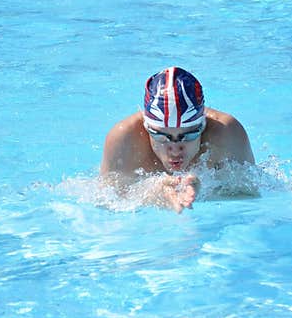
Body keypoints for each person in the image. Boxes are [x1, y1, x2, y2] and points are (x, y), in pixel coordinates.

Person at [101, 67, 257, 212]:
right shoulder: (124, 140)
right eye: (161, 136)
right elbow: (106, 203)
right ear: (146, 126)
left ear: (203, 126)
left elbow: (253, 196)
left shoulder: (228, 134)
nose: (175, 149)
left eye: (188, 135)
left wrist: (205, 192)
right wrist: (155, 193)